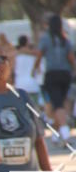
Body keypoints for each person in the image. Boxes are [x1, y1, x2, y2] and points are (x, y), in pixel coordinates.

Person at [32, 14, 75, 143]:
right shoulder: (65, 40)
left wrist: (35, 68)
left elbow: (39, 55)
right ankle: (56, 135)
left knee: (57, 104)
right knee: (60, 103)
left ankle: (65, 133)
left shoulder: (46, 39)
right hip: (65, 75)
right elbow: (71, 58)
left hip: (52, 74)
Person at [13, 36, 40, 105]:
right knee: (34, 109)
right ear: (27, 43)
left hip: (20, 85)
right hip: (33, 85)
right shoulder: (35, 55)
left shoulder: (15, 55)